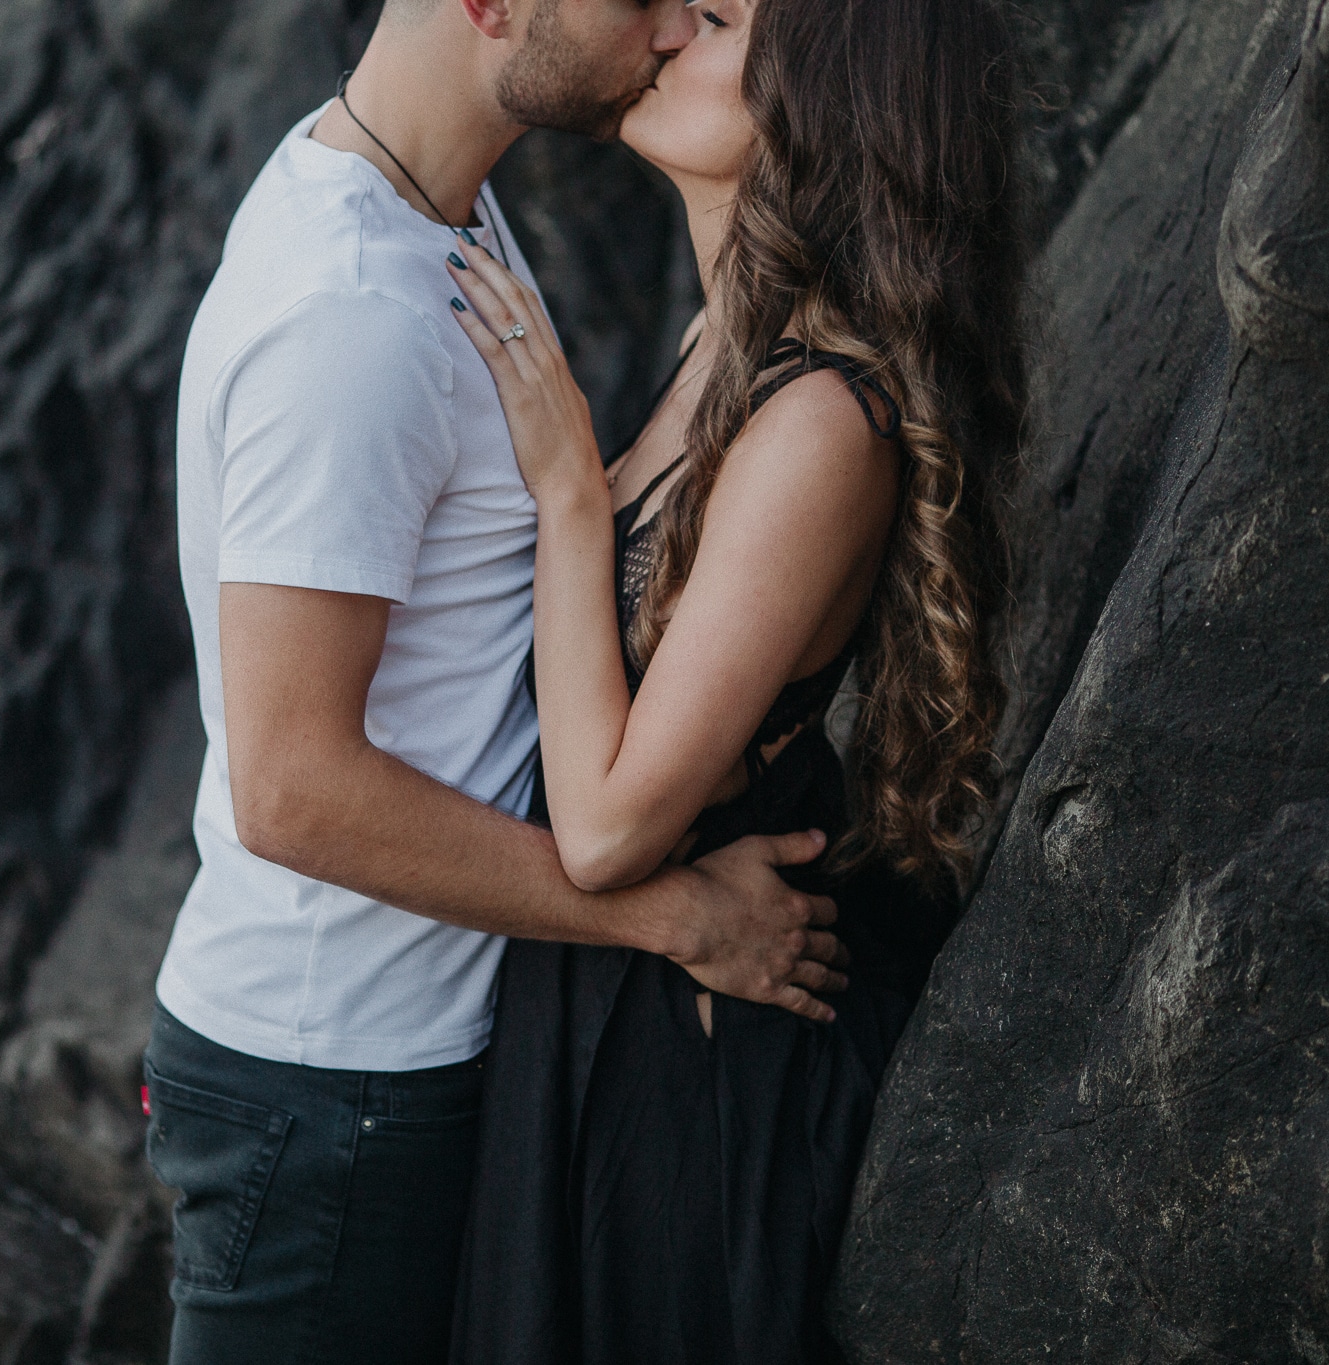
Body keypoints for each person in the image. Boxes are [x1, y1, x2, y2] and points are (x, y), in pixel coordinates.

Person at [142, 0, 858, 1361]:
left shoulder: (423, 208)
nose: (664, 27)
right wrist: (668, 916)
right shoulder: (352, 318)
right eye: (642, 0)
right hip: (331, 1084)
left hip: (390, 1063)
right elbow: (291, 789)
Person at [440, 0, 1028, 1360]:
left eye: (706, 19)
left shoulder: (821, 420)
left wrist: (569, 497)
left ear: (817, 107)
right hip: (604, 1005)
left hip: (687, 1075)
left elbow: (603, 830)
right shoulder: (723, 351)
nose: (656, 30)